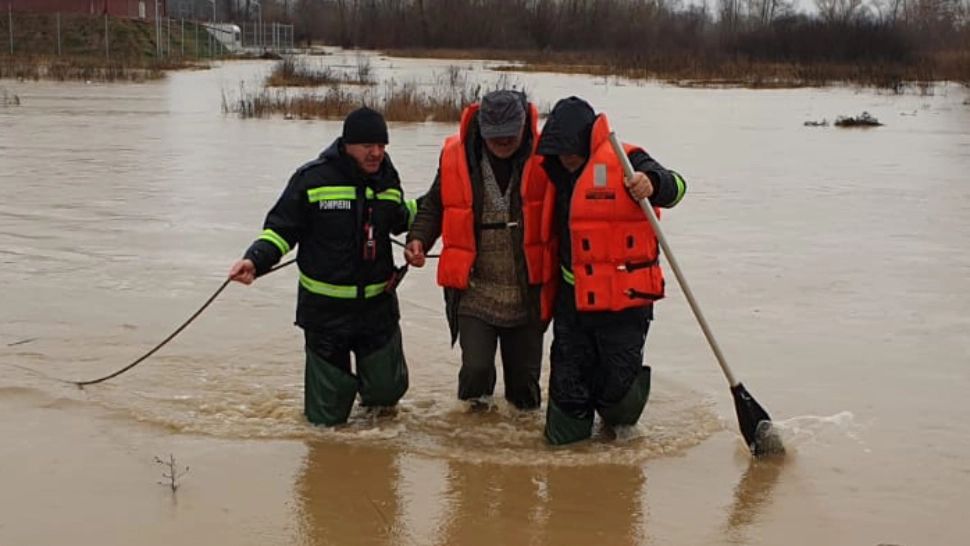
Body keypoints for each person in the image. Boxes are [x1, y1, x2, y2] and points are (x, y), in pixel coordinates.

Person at [228, 106, 416, 426]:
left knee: (387, 396)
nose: (376, 153)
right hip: (325, 314)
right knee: (325, 423)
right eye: (368, 146)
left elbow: (401, 218)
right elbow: (281, 230)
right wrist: (254, 260)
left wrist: (434, 213)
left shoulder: (388, 178)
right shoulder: (311, 179)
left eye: (382, 146)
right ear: (347, 144)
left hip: (378, 309)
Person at [534, 96, 688, 445]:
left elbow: (678, 187)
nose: (565, 157)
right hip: (572, 305)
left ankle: (618, 415)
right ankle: (566, 453)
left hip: (624, 306)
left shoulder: (627, 159)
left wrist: (653, 182)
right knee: (568, 393)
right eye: (558, 150)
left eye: (570, 149)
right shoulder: (554, 174)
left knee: (617, 394)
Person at [404, 90, 555, 411]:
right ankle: (469, 445)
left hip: (526, 290)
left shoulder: (548, 155)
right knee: (476, 370)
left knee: (525, 386)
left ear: (523, 128)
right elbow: (433, 206)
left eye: (509, 136)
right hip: (474, 289)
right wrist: (417, 239)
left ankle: (520, 448)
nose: (502, 143)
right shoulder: (456, 156)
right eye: (494, 137)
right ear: (482, 130)